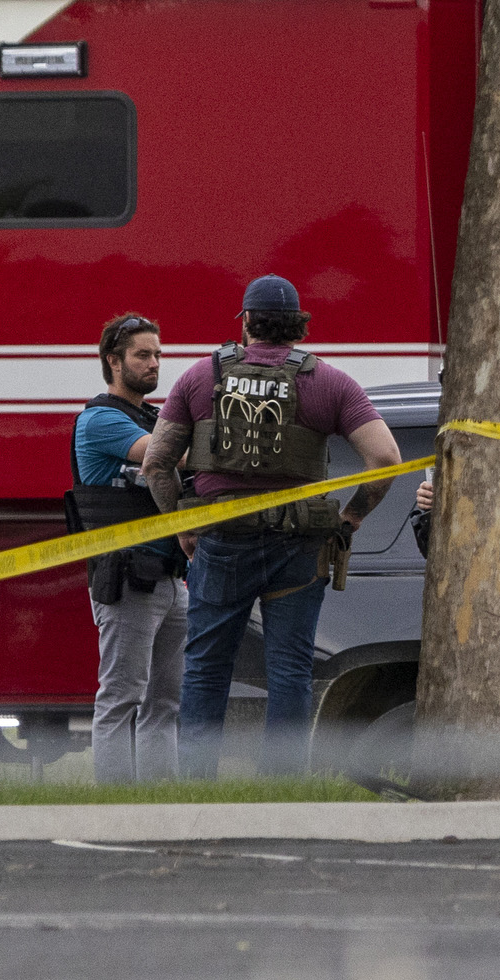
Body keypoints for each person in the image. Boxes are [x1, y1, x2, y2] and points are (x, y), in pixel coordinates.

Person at [141, 275, 403, 777]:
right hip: (298, 550)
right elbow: (386, 458)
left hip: (222, 541)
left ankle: (196, 784)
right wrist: (351, 518)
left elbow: (157, 464)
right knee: (290, 671)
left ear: (244, 322)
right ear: (298, 326)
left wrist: (183, 523)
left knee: (207, 667)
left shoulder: (200, 377)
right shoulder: (330, 382)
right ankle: (281, 785)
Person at [69, 314, 184, 783]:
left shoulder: (153, 417)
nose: (154, 363)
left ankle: (161, 798)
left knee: (166, 702)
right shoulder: (100, 420)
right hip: (126, 578)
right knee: (122, 697)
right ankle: (113, 802)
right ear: (113, 361)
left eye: (158, 354)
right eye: (142, 354)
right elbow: (163, 455)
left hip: (171, 577)